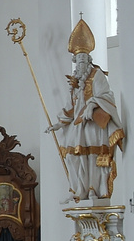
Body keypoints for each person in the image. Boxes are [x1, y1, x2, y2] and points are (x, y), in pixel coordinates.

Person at [46, 17, 126, 201]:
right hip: (78, 125)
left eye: (84, 58)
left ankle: (94, 190)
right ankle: (78, 191)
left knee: (93, 157)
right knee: (74, 156)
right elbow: (71, 107)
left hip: (93, 125)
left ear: (89, 59)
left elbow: (107, 96)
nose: (81, 61)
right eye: (78, 59)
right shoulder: (74, 82)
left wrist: (91, 104)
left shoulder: (97, 75)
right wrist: (58, 124)